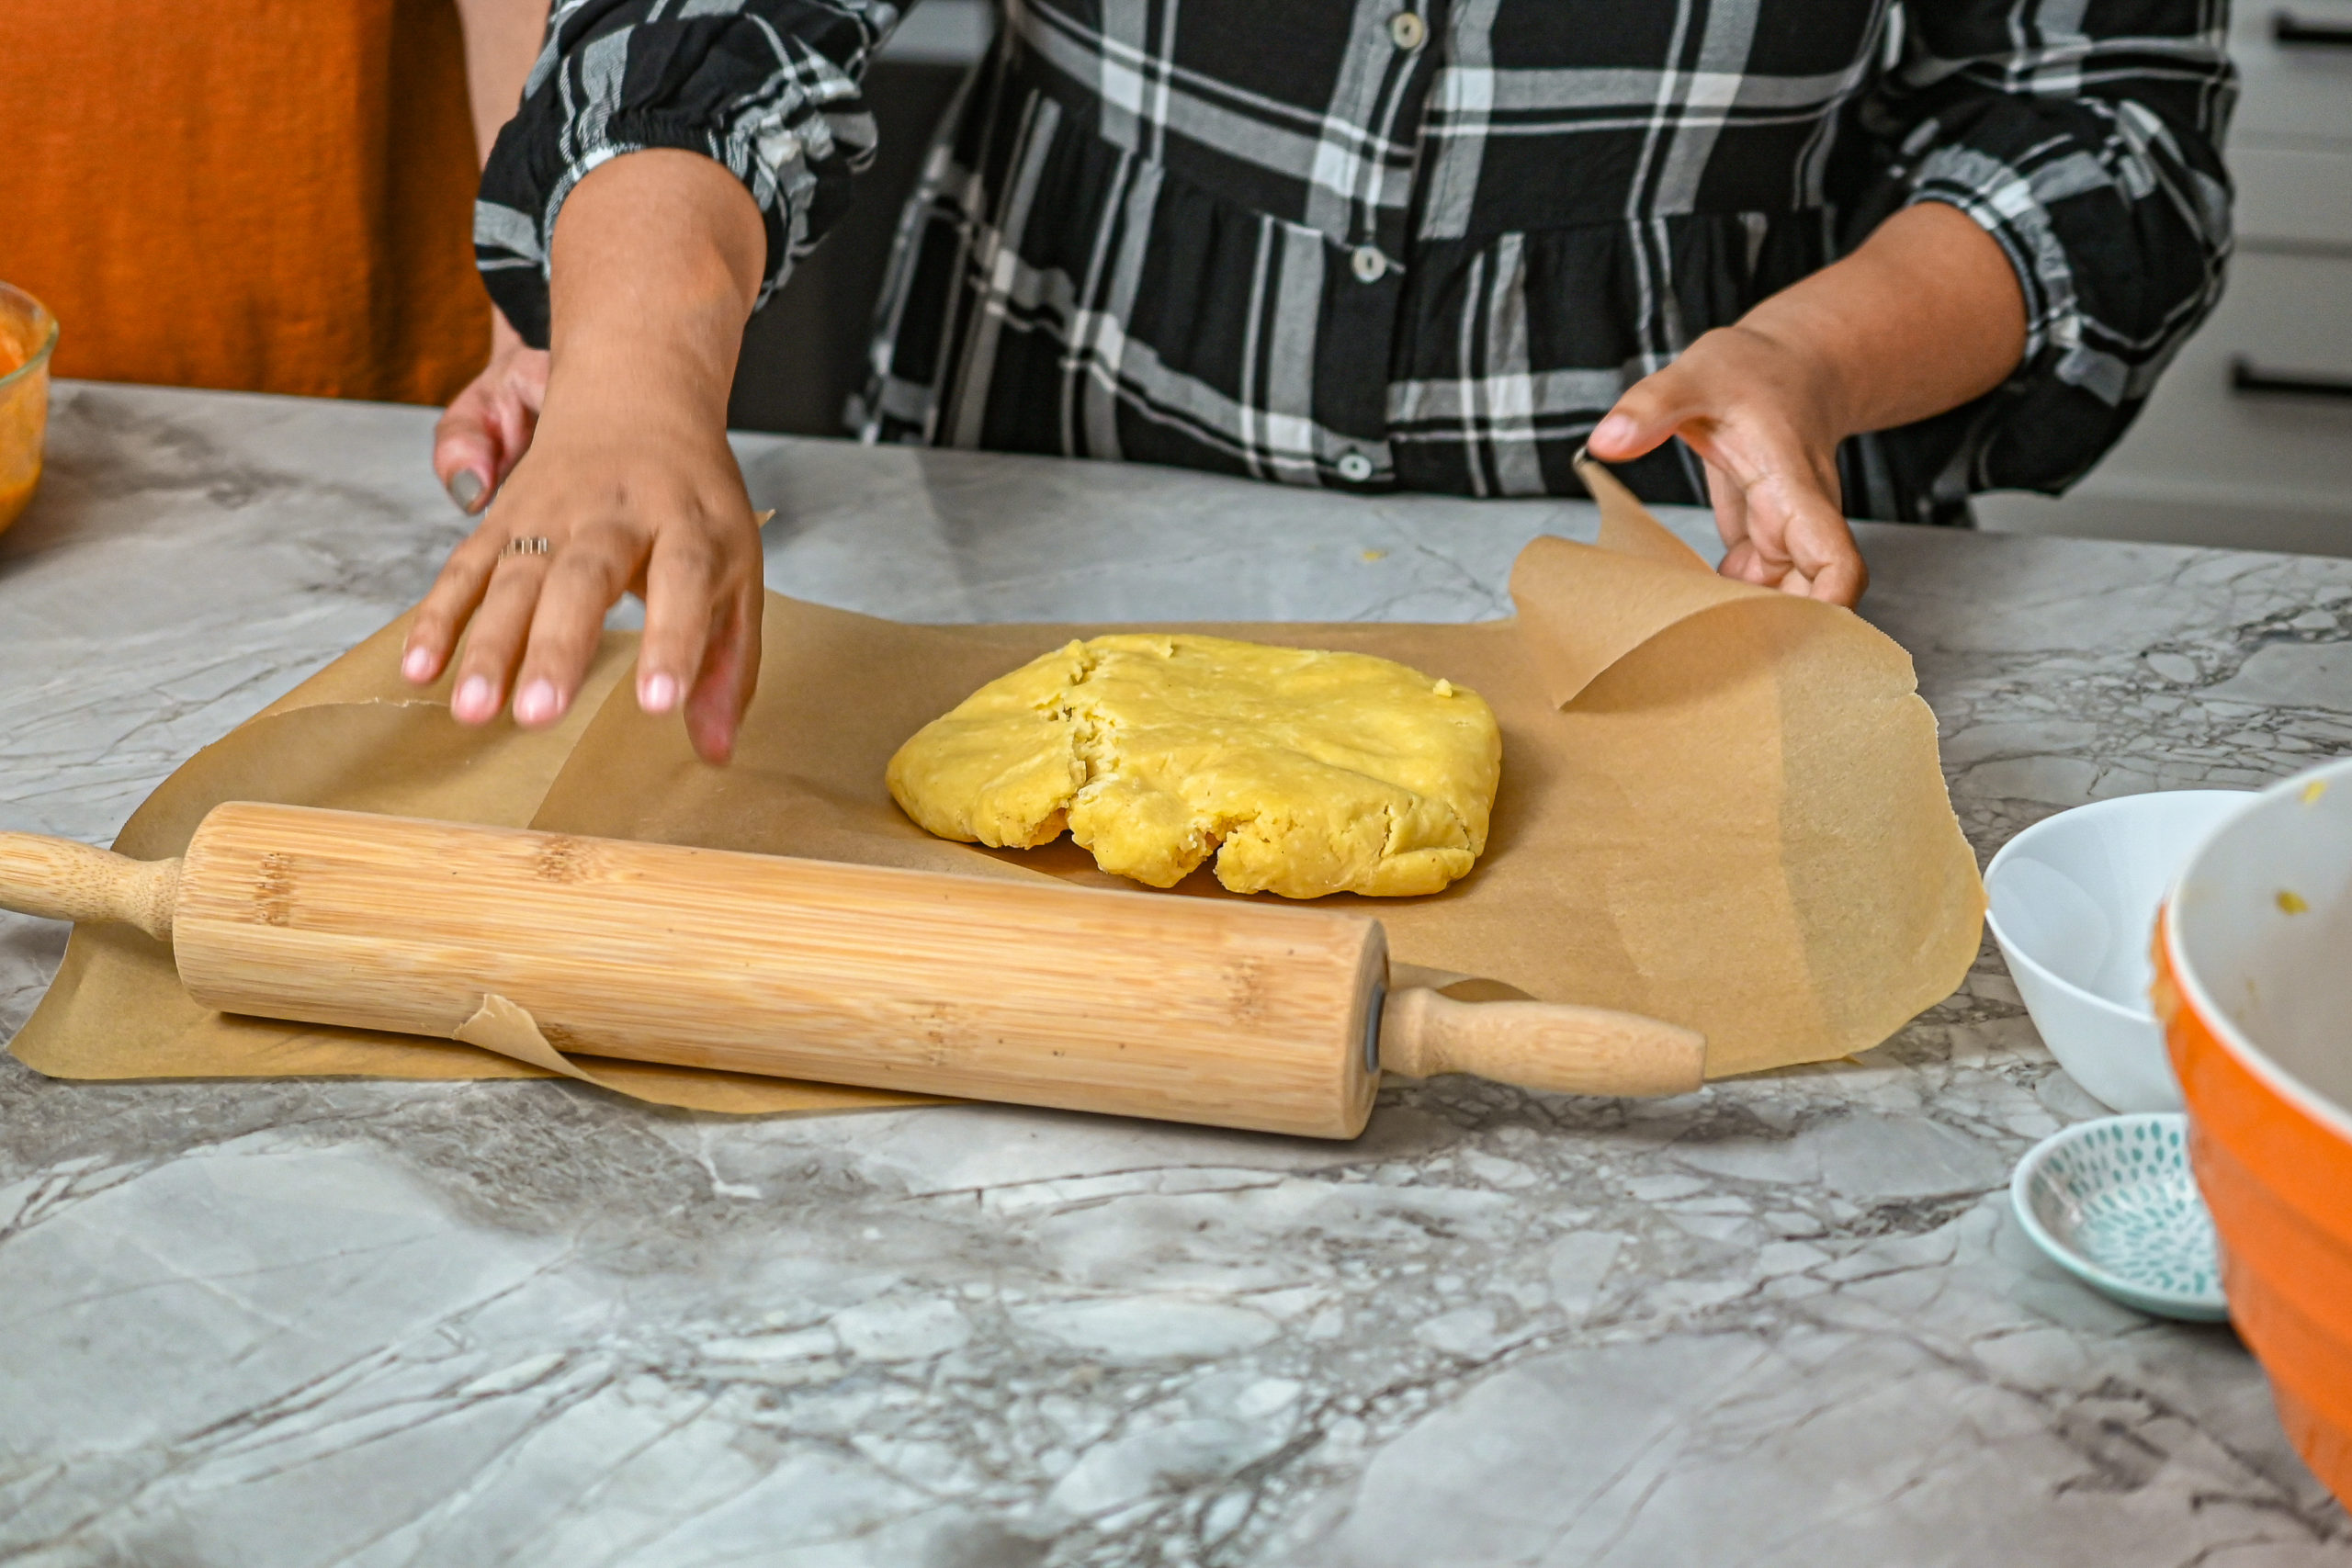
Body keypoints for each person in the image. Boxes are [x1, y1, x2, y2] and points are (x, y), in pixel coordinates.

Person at [404, 0, 2234, 765]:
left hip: (1705, 548)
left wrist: (1812, 356)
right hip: (1058, 426)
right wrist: (631, 369)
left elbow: (2104, 120)